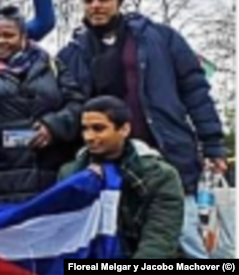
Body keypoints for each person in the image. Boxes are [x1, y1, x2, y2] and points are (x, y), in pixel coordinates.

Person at [57, 0, 226, 258]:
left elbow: (195, 90)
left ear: (119, 1)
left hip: (169, 155)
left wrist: (212, 144)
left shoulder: (160, 39)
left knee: (189, 241)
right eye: (89, 0)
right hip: (108, 165)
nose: (96, 5)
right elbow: (70, 107)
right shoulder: (71, 54)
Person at [0, 7, 83, 203]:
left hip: (48, 170)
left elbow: (76, 103)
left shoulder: (52, 66)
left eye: (8, 35)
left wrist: (54, 126)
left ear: (24, 37)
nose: (1, 41)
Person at [59, 96, 184, 259]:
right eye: (85, 129)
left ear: (124, 129)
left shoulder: (160, 176)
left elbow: (160, 240)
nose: (89, 137)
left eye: (98, 128)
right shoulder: (70, 174)